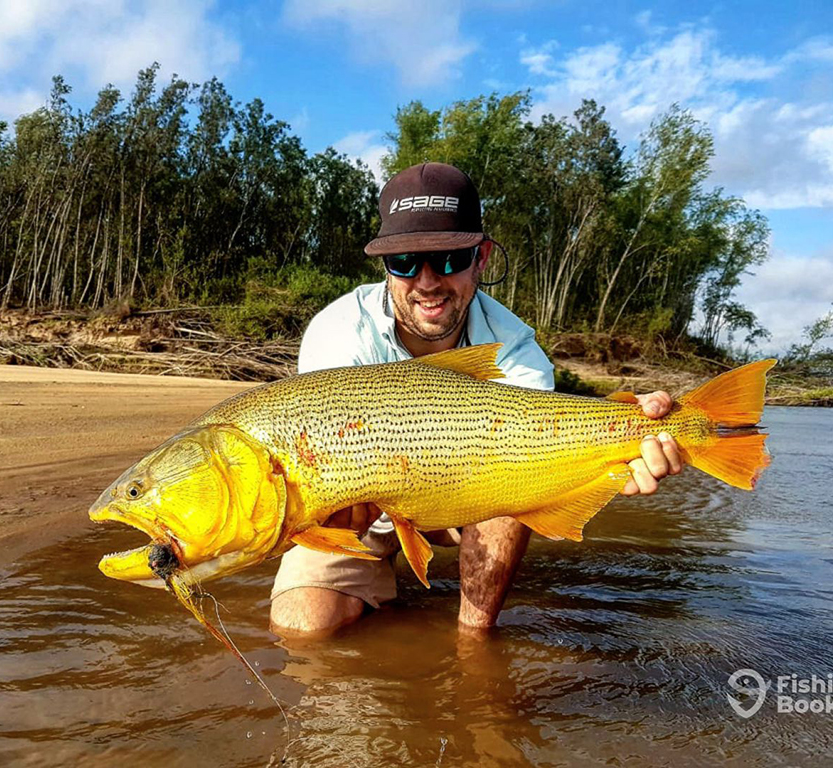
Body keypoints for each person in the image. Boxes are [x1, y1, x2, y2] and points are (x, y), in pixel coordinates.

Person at [269, 162, 682, 636]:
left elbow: (548, 455)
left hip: (472, 495)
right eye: (403, 262)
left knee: (513, 475)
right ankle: (381, 579)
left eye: (448, 259)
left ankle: (474, 640)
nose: (426, 282)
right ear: (383, 265)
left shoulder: (517, 351)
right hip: (364, 509)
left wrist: (622, 451)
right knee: (303, 630)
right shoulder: (339, 334)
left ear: (481, 257)